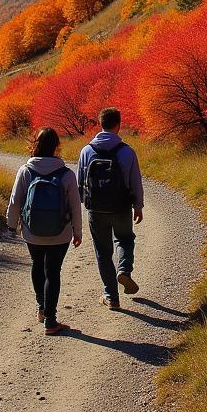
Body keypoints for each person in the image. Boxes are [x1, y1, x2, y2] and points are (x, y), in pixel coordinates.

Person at [6, 127, 82, 335]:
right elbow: (75, 205)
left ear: (35, 145)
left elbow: (15, 202)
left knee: (38, 265)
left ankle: (41, 307)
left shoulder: (25, 171)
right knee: (53, 271)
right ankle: (50, 319)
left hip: (32, 231)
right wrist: (78, 231)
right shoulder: (66, 174)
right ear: (57, 146)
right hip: (61, 232)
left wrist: (11, 225)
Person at [78, 107, 144, 310]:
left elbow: (80, 182)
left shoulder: (87, 151)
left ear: (100, 124)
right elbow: (135, 182)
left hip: (96, 209)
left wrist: (84, 204)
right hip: (121, 207)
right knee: (124, 239)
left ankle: (111, 296)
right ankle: (124, 269)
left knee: (102, 251)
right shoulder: (127, 151)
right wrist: (138, 206)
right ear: (119, 124)